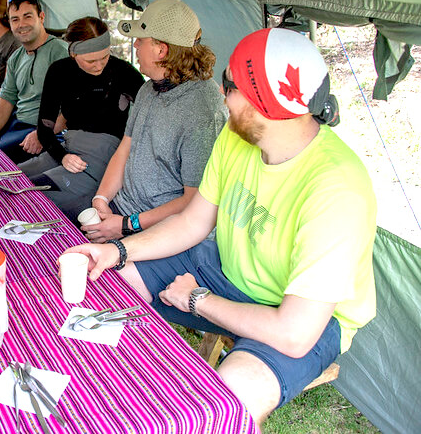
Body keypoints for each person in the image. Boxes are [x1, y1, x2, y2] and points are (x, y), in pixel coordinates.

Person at [62, 28, 376, 428]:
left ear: (263, 101)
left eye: (229, 86)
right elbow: (193, 222)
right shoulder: (235, 136)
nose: (222, 96)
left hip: (303, 319)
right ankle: (100, 400)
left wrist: (198, 300)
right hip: (226, 269)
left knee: (224, 404)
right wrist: (119, 250)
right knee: (106, 280)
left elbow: (295, 333)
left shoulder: (337, 189)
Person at [85, 0, 226, 242]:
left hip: (162, 230)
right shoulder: (149, 88)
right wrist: (101, 199)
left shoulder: (202, 111)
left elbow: (195, 200)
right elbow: (125, 148)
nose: (135, 44)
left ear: (162, 50)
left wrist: (128, 225)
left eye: (141, 39)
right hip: (123, 211)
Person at [18, 16, 144, 220]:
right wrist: (63, 156)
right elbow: (45, 128)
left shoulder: (123, 72)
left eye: (104, 57)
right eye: (91, 60)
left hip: (102, 155)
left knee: (32, 196)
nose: (99, 65)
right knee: (11, 182)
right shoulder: (60, 71)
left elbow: (151, 116)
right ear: (73, 52)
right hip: (67, 148)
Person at [0, 0, 68, 163]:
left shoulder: (60, 52)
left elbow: (74, 105)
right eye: (15, 19)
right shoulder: (16, 57)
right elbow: (6, 100)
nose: (21, 24)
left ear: (41, 17)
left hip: (48, 130)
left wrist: (41, 134)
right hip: (17, 123)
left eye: (27, 17)